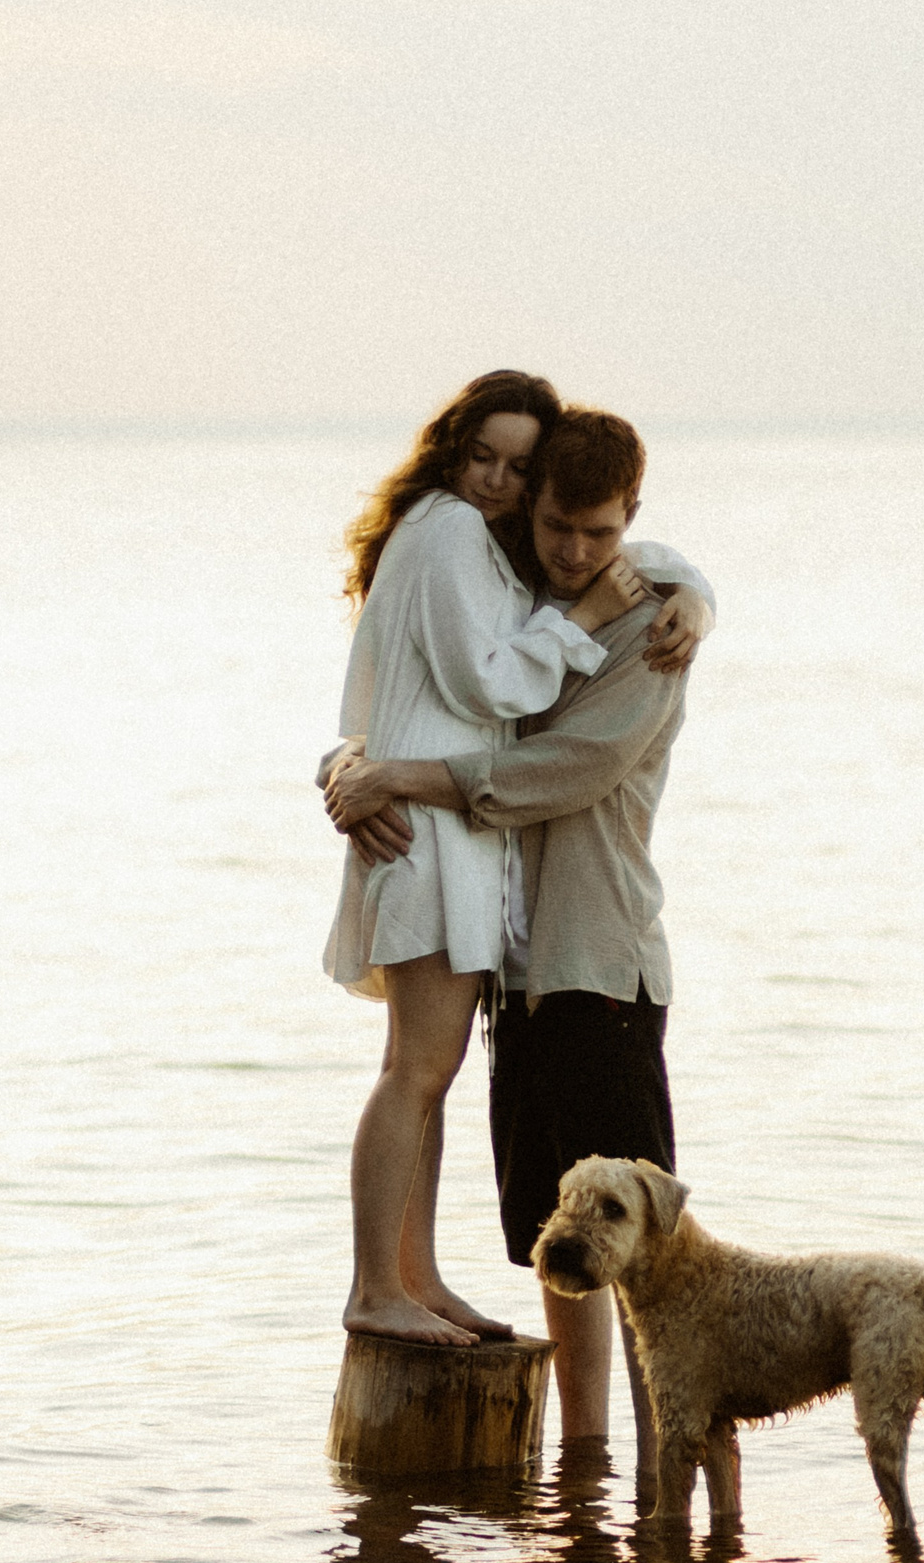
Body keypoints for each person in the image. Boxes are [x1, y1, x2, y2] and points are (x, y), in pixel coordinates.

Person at [325, 408, 700, 1452]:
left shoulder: (645, 627)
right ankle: (583, 1460)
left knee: (642, 1255)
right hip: (521, 970)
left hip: (599, 963)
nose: (577, 553)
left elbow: (563, 769)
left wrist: (398, 774)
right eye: (555, 530)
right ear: (528, 517)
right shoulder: (528, 597)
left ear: (628, 521)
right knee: (561, 1238)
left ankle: (664, 1478)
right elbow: (416, 690)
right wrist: (351, 761)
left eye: (599, 533)